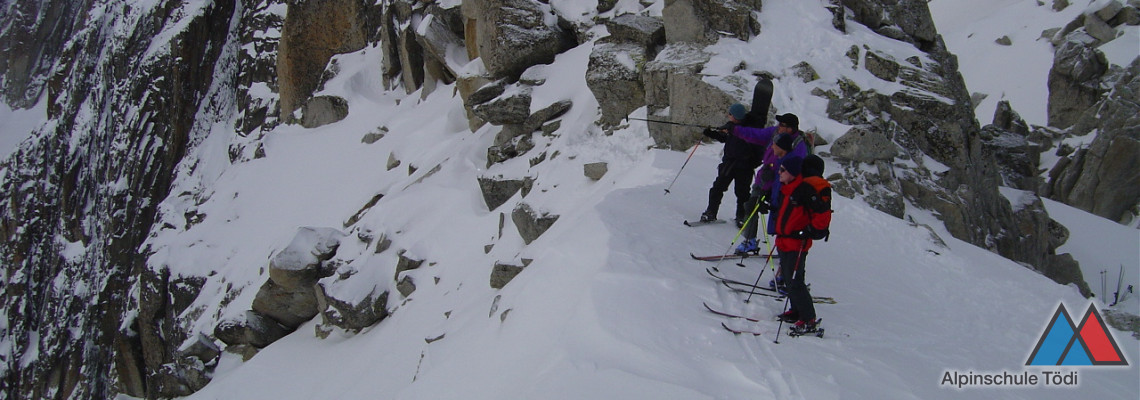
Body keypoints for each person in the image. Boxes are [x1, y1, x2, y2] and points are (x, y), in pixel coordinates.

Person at [724, 113, 809, 254]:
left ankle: (785, 249)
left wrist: (775, 175)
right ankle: (750, 241)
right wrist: (735, 129)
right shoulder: (775, 132)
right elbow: (755, 134)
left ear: (790, 129)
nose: (779, 127)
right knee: (751, 206)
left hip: (782, 187)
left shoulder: (798, 147)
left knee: (782, 216)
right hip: (764, 180)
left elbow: (794, 171)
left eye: (782, 125)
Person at [771, 154, 832, 333]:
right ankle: (797, 311)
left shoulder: (803, 189)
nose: (779, 172)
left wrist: (809, 231)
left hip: (797, 243)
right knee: (790, 280)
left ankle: (808, 319)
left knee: (795, 281)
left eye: (783, 170)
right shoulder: (789, 188)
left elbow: (812, 214)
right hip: (785, 240)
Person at [699, 104, 765, 225]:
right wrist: (711, 133)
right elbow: (724, 138)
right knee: (731, 191)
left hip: (738, 165)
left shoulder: (743, 129)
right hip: (737, 165)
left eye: (730, 114)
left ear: (734, 116)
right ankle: (732, 216)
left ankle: (720, 214)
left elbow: (727, 138)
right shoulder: (735, 127)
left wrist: (753, 163)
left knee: (734, 192)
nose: (728, 115)